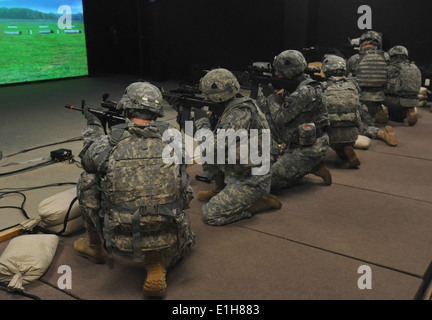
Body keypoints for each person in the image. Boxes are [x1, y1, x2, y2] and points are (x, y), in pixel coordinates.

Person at [74, 81, 195, 297]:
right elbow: (185, 193)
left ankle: (95, 246)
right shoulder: (176, 143)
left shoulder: (109, 144)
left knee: (88, 180)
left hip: (120, 238)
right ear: (157, 112)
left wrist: (93, 127)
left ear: (127, 109)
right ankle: (156, 261)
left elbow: (87, 160)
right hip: (173, 234)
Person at [192, 68, 282, 226]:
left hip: (252, 178)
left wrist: (202, 124)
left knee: (210, 214)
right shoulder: (231, 106)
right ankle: (220, 189)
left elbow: (212, 146)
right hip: (238, 168)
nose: (206, 98)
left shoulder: (238, 114)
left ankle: (256, 203)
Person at [256, 49, 332, 191]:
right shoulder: (295, 86)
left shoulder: (305, 91)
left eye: (279, 71)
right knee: (263, 119)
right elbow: (269, 111)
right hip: (296, 140)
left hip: (309, 148)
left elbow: (280, 117)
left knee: (262, 183)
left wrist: (269, 95)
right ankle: (279, 161)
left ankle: (312, 164)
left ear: (290, 71)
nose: (276, 74)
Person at [321, 55, 362, 168]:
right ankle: (346, 149)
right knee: (342, 151)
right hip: (352, 133)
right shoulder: (354, 85)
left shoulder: (323, 87)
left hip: (331, 132)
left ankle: (316, 159)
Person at [347, 30, 389, 125]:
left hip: (361, 97)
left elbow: (347, 77)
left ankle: (370, 118)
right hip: (380, 96)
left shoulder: (354, 58)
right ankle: (379, 110)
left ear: (362, 42)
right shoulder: (386, 56)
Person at [384, 45, 422, 126]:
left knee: (376, 94)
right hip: (414, 100)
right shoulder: (415, 67)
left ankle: (380, 115)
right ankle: (410, 110)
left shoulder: (392, 67)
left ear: (395, 57)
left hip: (398, 102)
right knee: (397, 117)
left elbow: (388, 86)